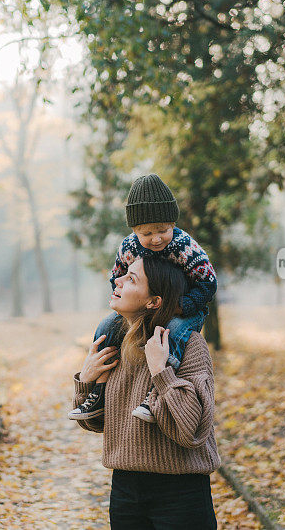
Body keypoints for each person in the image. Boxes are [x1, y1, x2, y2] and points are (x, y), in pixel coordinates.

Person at [72, 256, 221, 529]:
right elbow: (93, 422)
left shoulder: (187, 345)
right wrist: (86, 380)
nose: (117, 280)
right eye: (124, 275)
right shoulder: (117, 344)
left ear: (154, 301)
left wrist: (161, 371)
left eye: (131, 279)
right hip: (126, 489)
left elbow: (193, 431)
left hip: (181, 492)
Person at [68, 174, 217, 422]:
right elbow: (116, 276)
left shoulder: (185, 247)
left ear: (173, 224)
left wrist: (182, 306)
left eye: (163, 230)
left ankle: (156, 390)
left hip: (186, 307)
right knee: (106, 326)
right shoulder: (129, 248)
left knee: (174, 330)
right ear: (134, 229)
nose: (156, 238)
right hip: (148, 307)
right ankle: (100, 390)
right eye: (147, 233)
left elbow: (208, 283)